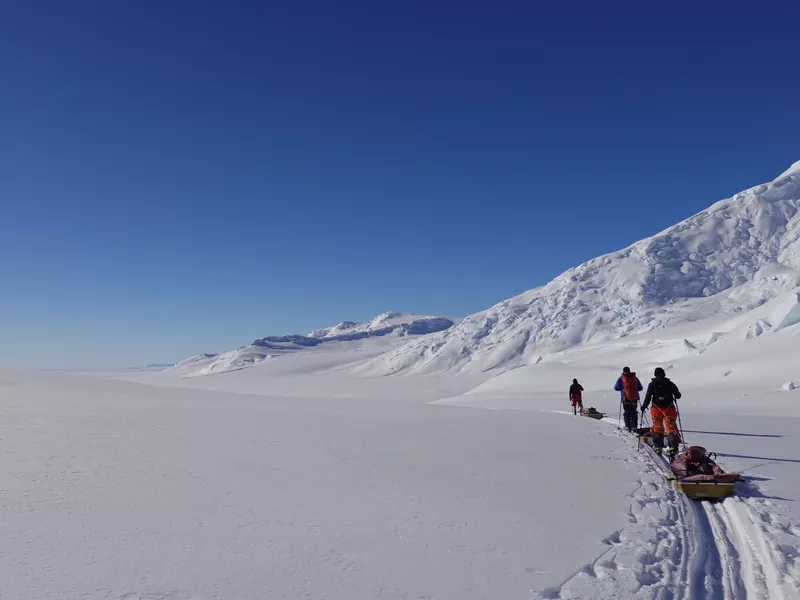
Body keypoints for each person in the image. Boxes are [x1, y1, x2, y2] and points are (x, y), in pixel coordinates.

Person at [641, 367, 682, 456]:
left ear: (655, 374)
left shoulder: (652, 384)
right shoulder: (670, 383)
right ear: (664, 374)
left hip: (656, 409)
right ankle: (672, 448)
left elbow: (648, 397)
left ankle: (658, 447)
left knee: (658, 428)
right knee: (670, 429)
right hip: (669, 409)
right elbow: (678, 396)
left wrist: (643, 407)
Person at [614, 367, 643, 432]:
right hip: (634, 398)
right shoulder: (634, 378)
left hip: (625, 398)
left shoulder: (621, 378)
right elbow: (640, 388)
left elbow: (616, 388)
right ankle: (634, 427)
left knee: (627, 412)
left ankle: (628, 426)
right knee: (634, 412)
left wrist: (623, 389)